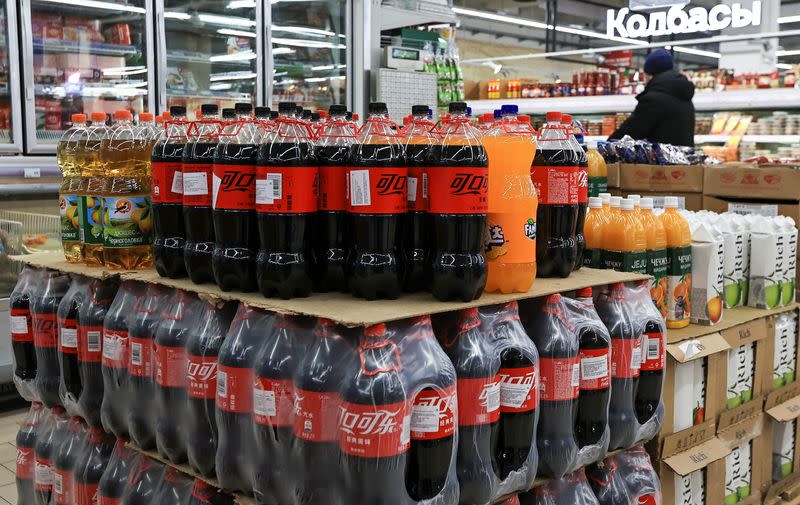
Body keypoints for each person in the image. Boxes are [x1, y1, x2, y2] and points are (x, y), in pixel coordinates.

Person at [609, 48, 695, 147]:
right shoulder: (683, 94)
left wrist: (608, 145)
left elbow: (633, 130)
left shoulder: (653, 99)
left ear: (649, 75)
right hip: (683, 158)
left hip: (662, 160)